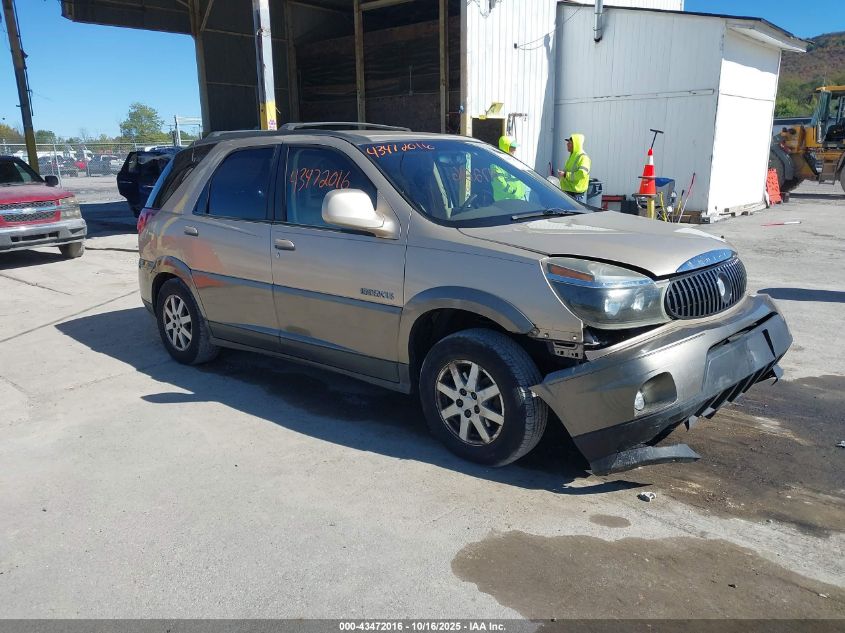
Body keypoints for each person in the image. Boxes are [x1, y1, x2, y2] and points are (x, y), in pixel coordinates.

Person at [558, 133, 591, 203]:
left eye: (570, 143)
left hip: (576, 195)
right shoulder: (573, 156)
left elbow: (582, 173)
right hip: (569, 192)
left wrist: (565, 174)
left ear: (576, 144)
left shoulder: (583, 157)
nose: (567, 144)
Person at [491, 135, 526, 201]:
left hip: (519, 200)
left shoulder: (514, 162)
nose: (515, 150)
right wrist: (513, 191)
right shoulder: (496, 165)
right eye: (512, 147)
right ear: (505, 147)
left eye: (515, 147)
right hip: (506, 202)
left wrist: (523, 193)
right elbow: (499, 184)